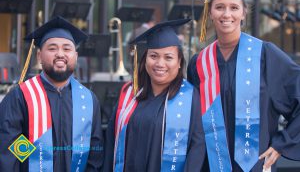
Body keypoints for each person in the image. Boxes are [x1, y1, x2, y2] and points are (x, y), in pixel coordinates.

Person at [187, 0, 300, 172]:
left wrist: (282, 143)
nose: (226, 14)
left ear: (244, 13)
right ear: (210, 12)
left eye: (234, 7)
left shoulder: (266, 55)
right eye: (219, 7)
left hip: (255, 165)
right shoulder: (199, 63)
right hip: (211, 165)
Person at [0, 16, 103, 171]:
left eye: (67, 48)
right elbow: (10, 151)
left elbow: (95, 152)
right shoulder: (21, 96)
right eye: (52, 48)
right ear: (39, 56)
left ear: (75, 56)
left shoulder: (88, 99)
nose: (60, 54)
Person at [103, 19, 206, 172]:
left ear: (179, 62)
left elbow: (197, 147)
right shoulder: (129, 94)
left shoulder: (190, 97)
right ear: (145, 60)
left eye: (168, 57)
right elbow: (112, 142)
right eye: (154, 56)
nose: (160, 63)